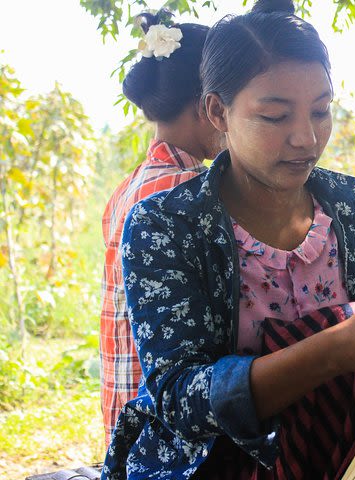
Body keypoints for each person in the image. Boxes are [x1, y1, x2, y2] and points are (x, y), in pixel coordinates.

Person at [101, 1, 355, 478]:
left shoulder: (352, 206)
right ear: (217, 112)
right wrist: (333, 349)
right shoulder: (166, 224)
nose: (306, 138)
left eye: (321, 111)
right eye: (274, 116)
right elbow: (181, 395)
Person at [100, 11, 224, 446]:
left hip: (123, 420)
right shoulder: (192, 193)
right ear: (206, 105)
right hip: (166, 428)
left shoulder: (126, 187)